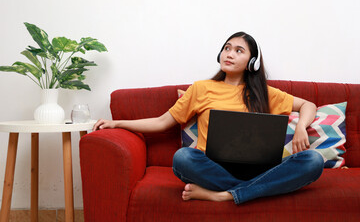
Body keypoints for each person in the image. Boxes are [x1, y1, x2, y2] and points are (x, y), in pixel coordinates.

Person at [93, 32, 324, 204]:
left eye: (239, 50)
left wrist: (302, 126)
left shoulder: (265, 93)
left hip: (261, 169)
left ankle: (223, 196)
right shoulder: (201, 89)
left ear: (252, 63)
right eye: (227, 48)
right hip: (213, 168)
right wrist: (116, 122)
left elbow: (308, 105)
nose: (230, 54)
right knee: (182, 157)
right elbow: (162, 121)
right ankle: (250, 192)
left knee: (313, 161)